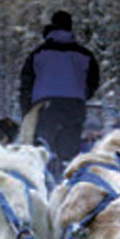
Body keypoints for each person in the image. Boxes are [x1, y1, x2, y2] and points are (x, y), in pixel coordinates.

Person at [19, 10, 99, 179]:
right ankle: (68, 185)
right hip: (75, 106)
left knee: (45, 150)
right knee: (69, 151)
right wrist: (80, 95)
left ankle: (46, 187)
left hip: (45, 106)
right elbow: (93, 83)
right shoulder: (85, 54)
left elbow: (26, 83)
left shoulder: (38, 53)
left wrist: (27, 110)